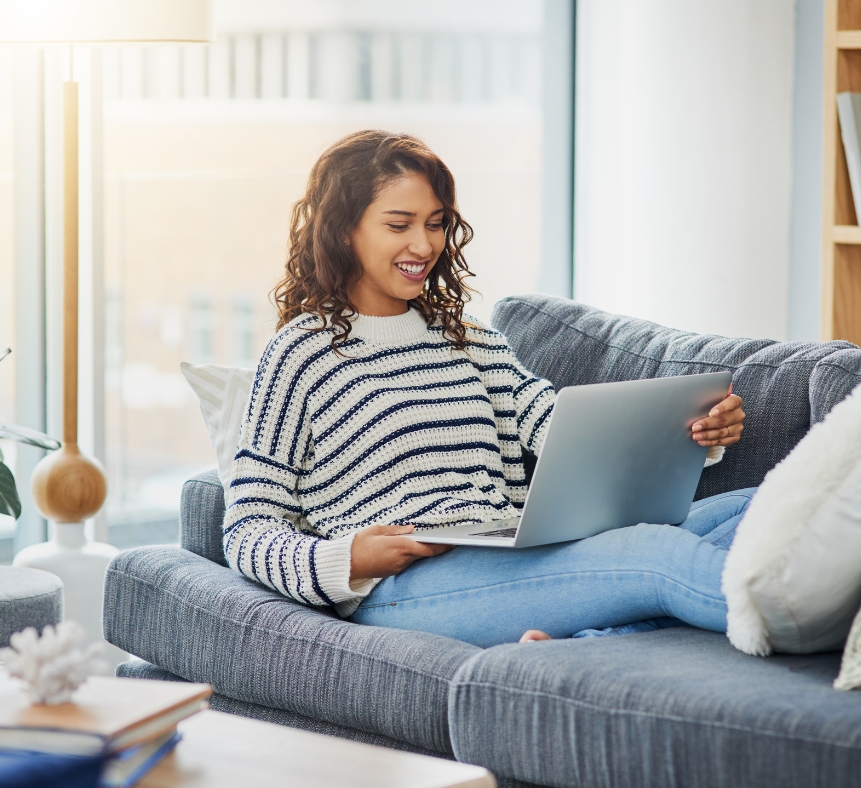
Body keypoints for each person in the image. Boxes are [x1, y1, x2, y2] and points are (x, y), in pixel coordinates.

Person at [222, 130, 751, 649]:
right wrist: (349, 559)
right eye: (398, 224)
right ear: (344, 231)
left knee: (752, 505)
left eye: (435, 224)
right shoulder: (301, 353)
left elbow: (559, 427)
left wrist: (694, 431)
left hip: (507, 550)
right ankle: (805, 624)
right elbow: (247, 529)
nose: (424, 245)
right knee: (657, 554)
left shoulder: (468, 338)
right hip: (404, 588)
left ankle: (587, 642)